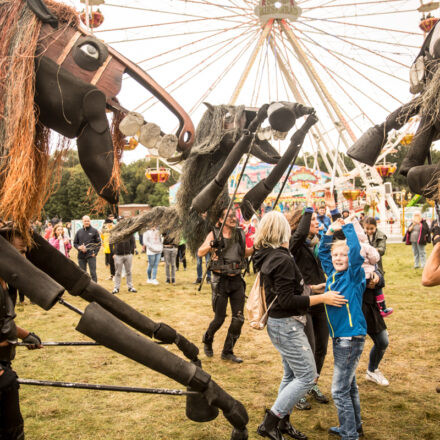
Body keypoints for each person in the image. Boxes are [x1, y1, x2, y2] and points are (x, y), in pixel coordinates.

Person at [253, 211, 346, 440]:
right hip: (287, 324)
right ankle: (270, 422)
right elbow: (287, 301)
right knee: (307, 376)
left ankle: (283, 422)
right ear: (282, 230)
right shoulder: (282, 259)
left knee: (290, 374)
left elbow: (282, 290)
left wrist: (313, 289)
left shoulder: (269, 255)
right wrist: (322, 299)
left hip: (281, 322)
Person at [318, 218, 367, 440]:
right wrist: (329, 231)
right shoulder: (334, 275)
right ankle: (354, 427)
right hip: (340, 338)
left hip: (349, 338)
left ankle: (349, 435)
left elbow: (356, 252)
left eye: (343, 255)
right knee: (350, 387)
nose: (338, 258)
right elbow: (322, 253)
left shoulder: (353, 276)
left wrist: (347, 227)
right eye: (336, 255)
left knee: (338, 390)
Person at [0, 228, 43, 440]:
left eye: (25, 252)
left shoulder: (6, 282)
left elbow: (3, 322)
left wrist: (25, 335)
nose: (23, 258)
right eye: (19, 252)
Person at [287, 207, 329, 410]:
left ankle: (312, 384)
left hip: (320, 299)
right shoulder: (294, 244)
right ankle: (299, 391)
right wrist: (308, 211)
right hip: (304, 302)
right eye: (313, 221)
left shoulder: (315, 244)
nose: (317, 224)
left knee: (322, 347)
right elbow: (300, 232)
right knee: (308, 349)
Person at [199, 207, 253, 363]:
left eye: (234, 216)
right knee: (219, 318)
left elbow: (244, 253)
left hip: (237, 280)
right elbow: (200, 252)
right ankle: (207, 338)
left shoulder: (240, 233)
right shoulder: (214, 233)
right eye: (229, 216)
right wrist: (211, 245)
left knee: (239, 319)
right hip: (220, 281)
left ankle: (227, 352)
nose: (233, 218)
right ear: (221, 220)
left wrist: (257, 247)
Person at [362, 217, 391, 387]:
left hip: (372, 304)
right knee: (353, 347)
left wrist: (377, 278)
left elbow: (380, 276)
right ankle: (348, 380)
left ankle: (372, 370)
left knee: (382, 341)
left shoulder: (372, 255)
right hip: (357, 306)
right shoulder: (346, 255)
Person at [352, 217, 392, 317]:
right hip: (365, 267)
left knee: (378, 285)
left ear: (376, 227)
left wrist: (369, 250)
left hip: (375, 265)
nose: (369, 231)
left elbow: (382, 249)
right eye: (367, 228)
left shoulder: (381, 235)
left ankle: (382, 307)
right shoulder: (361, 236)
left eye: (372, 229)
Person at [73, 215, 101, 282]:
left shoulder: (94, 231)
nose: (86, 222)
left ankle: (95, 288)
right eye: (85, 221)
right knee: (83, 274)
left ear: (90, 221)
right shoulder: (79, 231)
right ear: (82, 221)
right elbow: (75, 243)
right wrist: (79, 247)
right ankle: (84, 288)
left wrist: (95, 253)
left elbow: (99, 243)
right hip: (81, 256)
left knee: (93, 273)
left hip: (91, 255)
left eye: (88, 221)